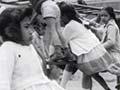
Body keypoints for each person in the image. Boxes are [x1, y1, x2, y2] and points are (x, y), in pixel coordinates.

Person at [0, 7, 65, 90]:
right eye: (26, 27)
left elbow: (40, 76)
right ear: (10, 31)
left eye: (31, 26)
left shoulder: (29, 47)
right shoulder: (8, 48)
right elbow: (3, 82)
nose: (32, 31)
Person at [58, 3, 114, 90]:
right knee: (87, 71)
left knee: (75, 65)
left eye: (60, 17)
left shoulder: (70, 26)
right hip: (96, 53)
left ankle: (61, 87)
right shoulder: (78, 21)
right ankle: (107, 88)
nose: (59, 19)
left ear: (65, 16)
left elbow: (61, 43)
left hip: (90, 56)